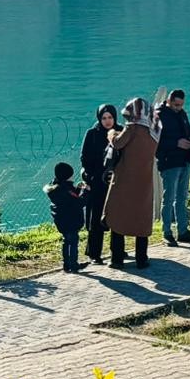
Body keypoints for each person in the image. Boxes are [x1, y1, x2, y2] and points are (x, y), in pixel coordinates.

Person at [104, 97, 159, 268]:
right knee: (142, 218)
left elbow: (118, 143)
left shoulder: (132, 128)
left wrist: (112, 133)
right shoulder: (154, 130)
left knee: (118, 216)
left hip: (125, 179)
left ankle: (117, 259)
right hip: (145, 180)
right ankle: (142, 259)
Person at [155, 89, 190, 247]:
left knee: (181, 197)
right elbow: (155, 141)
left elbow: (188, 131)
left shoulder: (182, 114)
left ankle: (183, 230)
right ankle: (167, 232)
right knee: (168, 198)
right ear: (169, 101)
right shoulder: (159, 115)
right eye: (176, 105)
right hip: (169, 161)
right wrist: (176, 143)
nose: (179, 107)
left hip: (184, 159)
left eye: (181, 105)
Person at [79, 104, 119, 265]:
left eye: (110, 117)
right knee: (95, 219)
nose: (107, 121)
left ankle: (118, 250)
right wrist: (90, 177)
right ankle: (94, 253)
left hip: (115, 182)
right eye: (104, 118)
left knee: (117, 217)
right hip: (97, 182)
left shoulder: (120, 132)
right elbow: (84, 158)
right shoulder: (92, 134)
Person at [45, 162, 87, 273]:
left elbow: (71, 197)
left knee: (66, 241)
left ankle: (66, 264)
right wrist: (85, 192)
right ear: (67, 176)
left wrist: (78, 189)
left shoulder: (56, 188)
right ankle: (74, 264)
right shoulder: (66, 189)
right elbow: (78, 202)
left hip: (61, 220)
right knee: (73, 242)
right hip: (71, 220)